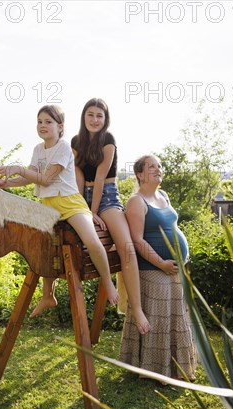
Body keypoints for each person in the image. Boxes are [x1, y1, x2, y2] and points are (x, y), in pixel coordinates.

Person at [0, 104, 119, 316]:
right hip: (48, 205)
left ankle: (109, 283)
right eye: (39, 122)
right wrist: (5, 184)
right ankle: (48, 295)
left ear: (60, 126)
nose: (43, 126)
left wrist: (18, 168)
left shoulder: (64, 148)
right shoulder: (38, 150)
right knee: (44, 249)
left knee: (92, 241)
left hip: (70, 203)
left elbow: (46, 179)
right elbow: (29, 177)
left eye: (48, 122)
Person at [71, 98, 151, 335]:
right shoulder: (75, 142)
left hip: (105, 196)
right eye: (90, 115)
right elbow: (76, 174)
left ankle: (136, 309)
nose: (94, 120)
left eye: (99, 116)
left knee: (126, 246)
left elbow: (99, 177)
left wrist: (93, 211)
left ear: (105, 119)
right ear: (83, 117)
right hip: (81, 196)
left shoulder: (108, 140)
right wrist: (81, 207)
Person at [119, 154, 197, 383]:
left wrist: (184, 252)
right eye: (151, 167)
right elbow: (137, 240)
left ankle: (178, 369)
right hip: (151, 270)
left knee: (178, 318)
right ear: (140, 174)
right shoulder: (136, 201)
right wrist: (161, 263)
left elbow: (173, 226)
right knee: (161, 320)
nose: (158, 169)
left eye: (159, 166)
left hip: (174, 270)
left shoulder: (163, 196)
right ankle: (157, 370)